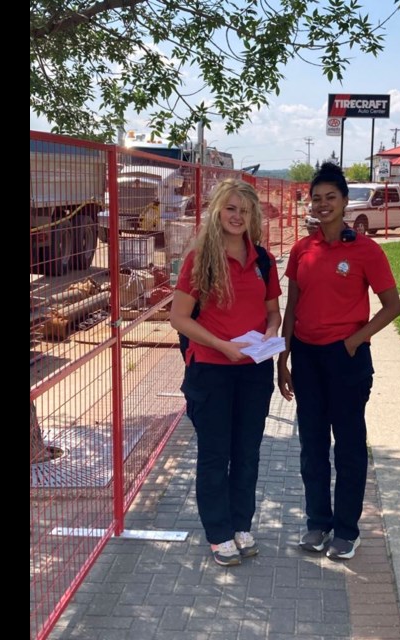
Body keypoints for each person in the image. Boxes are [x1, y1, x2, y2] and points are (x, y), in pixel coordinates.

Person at [277, 162, 400, 560]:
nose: (324, 204)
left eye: (332, 197)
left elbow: (392, 307)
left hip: (347, 358)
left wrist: (355, 340)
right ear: (309, 203)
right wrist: (284, 359)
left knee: (348, 445)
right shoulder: (301, 250)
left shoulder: (365, 250)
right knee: (312, 444)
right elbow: (291, 308)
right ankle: (318, 523)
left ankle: (347, 529)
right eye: (317, 198)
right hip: (307, 359)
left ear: (345, 201)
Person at [170, 178, 282, 567]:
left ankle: (241, 525)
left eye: (245, 210)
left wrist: (271, 332)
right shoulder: (200, 259)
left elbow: (273, 310)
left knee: (247, 452)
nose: (237, 216)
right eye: (231, 208)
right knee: (216, 455)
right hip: (212, 372)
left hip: (253, 371)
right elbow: (179, 318)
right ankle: (218, 533)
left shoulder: (262, 260)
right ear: (218, 210)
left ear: (253, 217)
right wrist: (222, 345)